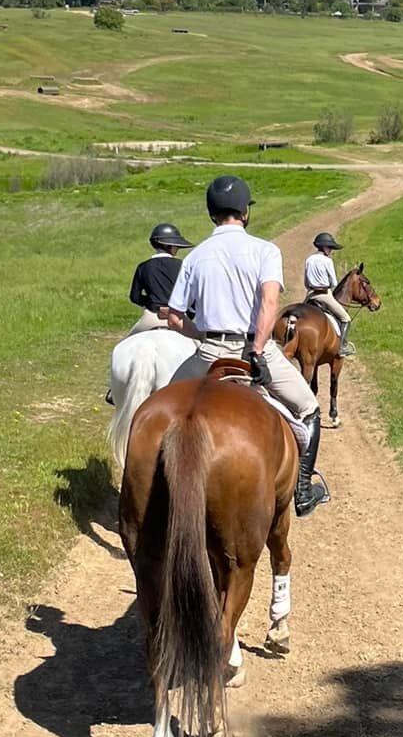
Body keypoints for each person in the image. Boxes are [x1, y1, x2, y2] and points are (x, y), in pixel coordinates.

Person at [162, 175, 328, 517]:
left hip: (209, 352)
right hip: (255, 350)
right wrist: (257, 347)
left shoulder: (195, 257)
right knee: (309, 407)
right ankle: (303, 491)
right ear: (244, 213)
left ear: (212, 214)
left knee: (159, 410)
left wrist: (203, 336)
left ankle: (156, 499)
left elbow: (174, 318)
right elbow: (269, 303)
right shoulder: (265, 250)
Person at [126, 222, 191, 336]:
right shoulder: (182, 266)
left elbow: (135, 297)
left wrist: (154, 304)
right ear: (170, 246)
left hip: (151, 317)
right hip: (178, 318)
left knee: (123, 345)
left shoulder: (143, 267)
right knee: (200, 343)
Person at [302, 231, 351, 354]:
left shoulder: (309, 259)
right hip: (324, 294)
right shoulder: (327, 261)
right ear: (324, 247)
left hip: (310, 294)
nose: (331, 251)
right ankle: (342, 347)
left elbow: (306, 283)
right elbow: (334, 283)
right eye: (330, 248)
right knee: (346, 318)